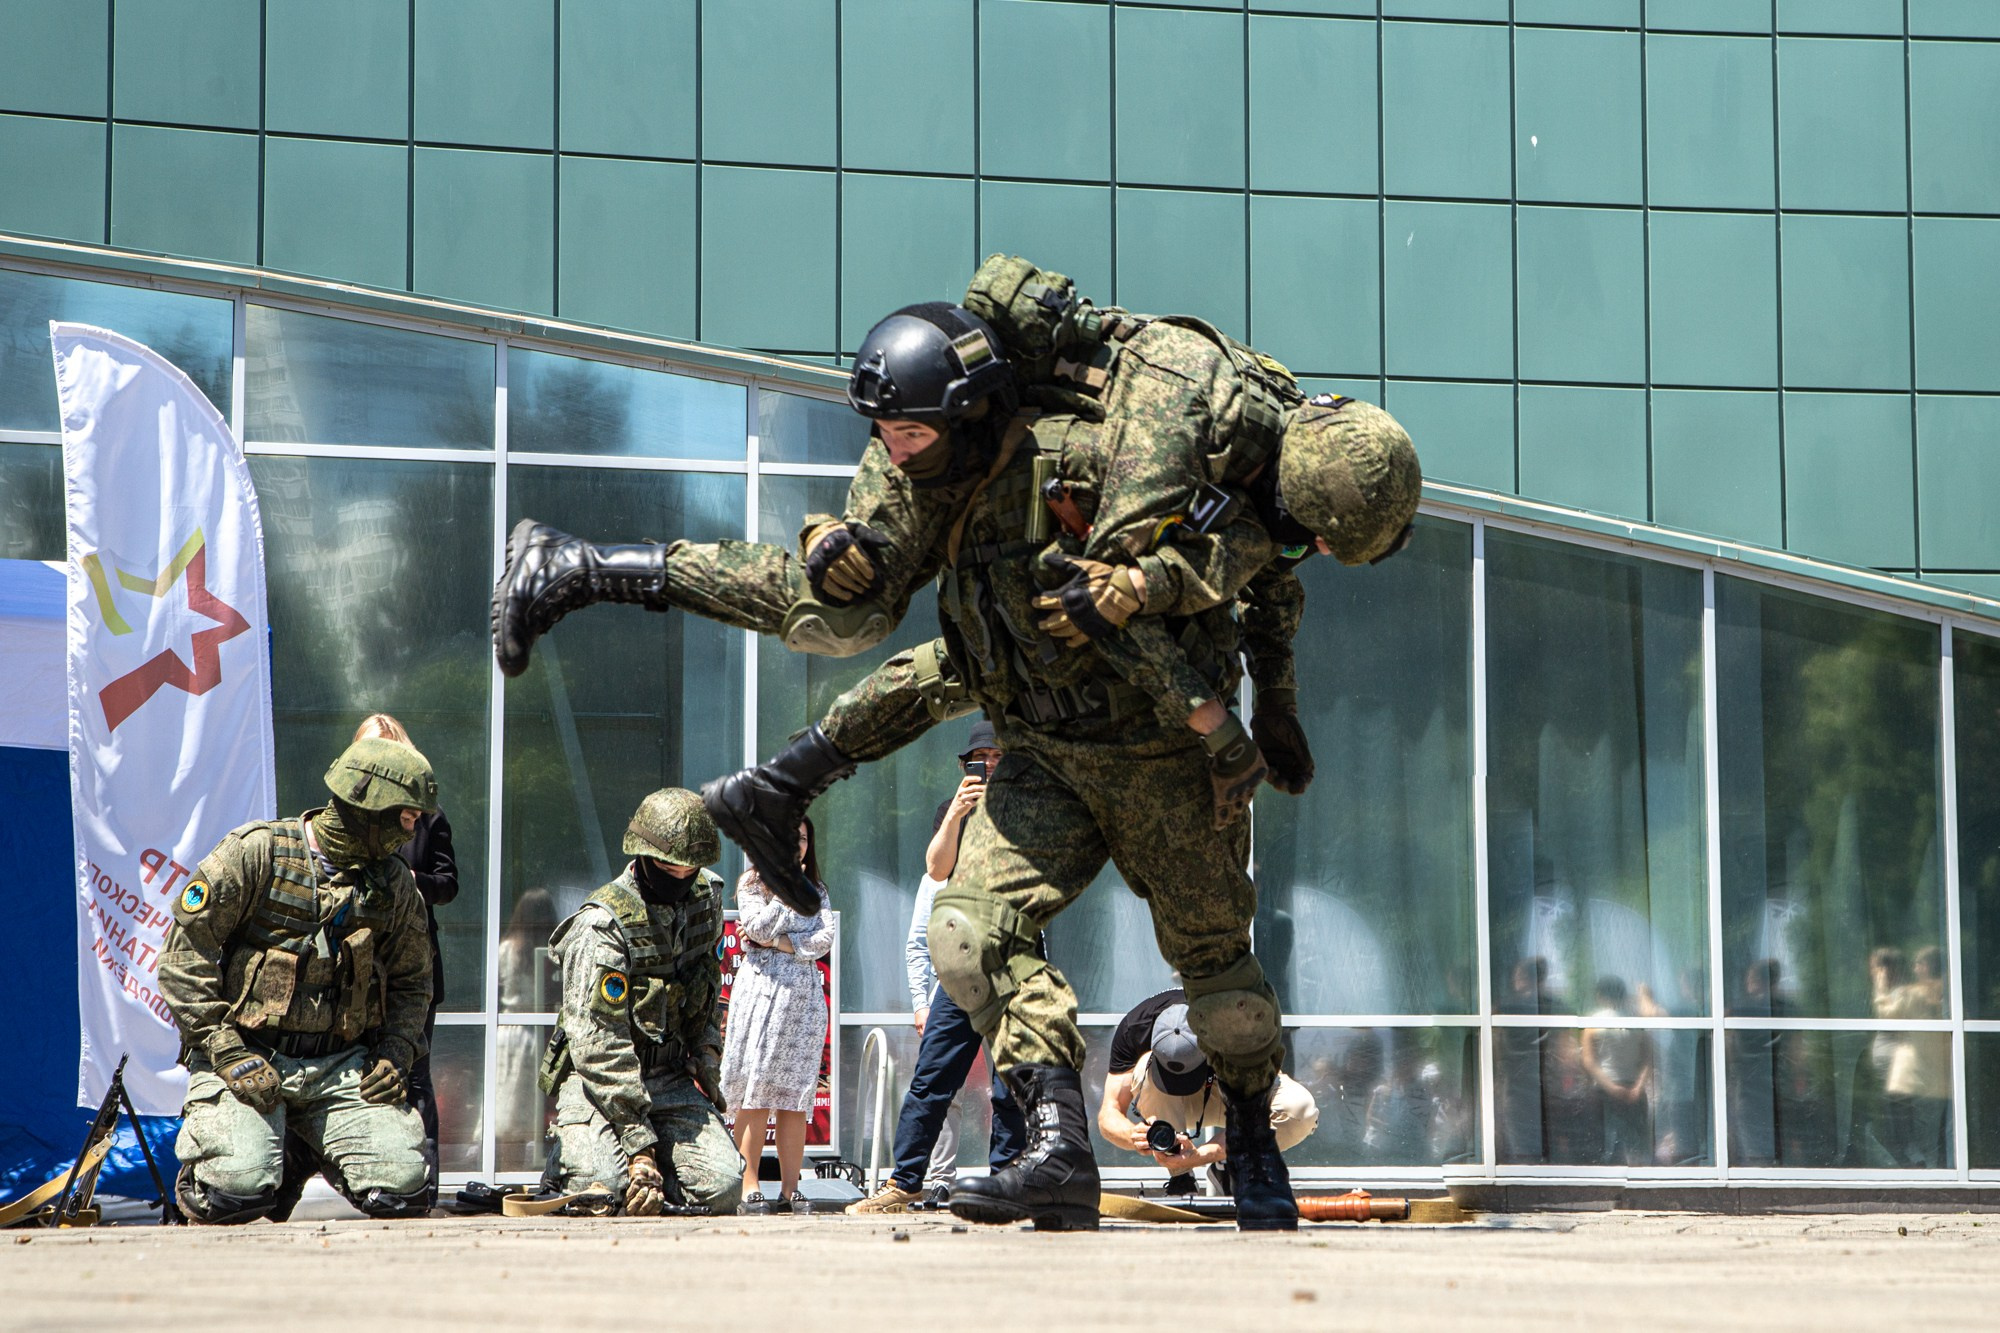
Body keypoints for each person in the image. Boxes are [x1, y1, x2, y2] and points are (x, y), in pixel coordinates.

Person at [494, 259, 1420, 1230]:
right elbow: (881, 616)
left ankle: (1256, 1151)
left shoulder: (1152, 459)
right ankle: (1058, 1146)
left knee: (1214, 961)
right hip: (1042, 749)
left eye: (914, 436)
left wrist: (1247, 719)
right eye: (885, 437)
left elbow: (1242, 575)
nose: (896, 454)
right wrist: (826, 541)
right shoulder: (921, 472)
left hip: (1158, 755)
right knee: (966, 928)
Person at [158, 737, 438, 1223]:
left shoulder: (394, 884)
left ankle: (310, 1146)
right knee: (235, 1197)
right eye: (406, 817)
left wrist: (396, 1051)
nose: (412, 830)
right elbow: (184, 959)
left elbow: (414, 980)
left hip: (338, 1067)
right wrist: (225, 1049)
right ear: (367, 809)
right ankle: (227, 1168)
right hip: (246, 1058)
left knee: (405, 1192)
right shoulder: (256, 853)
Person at [848, 723, 1028, 1214]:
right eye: (979, 757)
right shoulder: (953, 815)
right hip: (960, 969)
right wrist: (956, 812)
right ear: (963, 765)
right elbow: (936, 869)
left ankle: (1008, 1179)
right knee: (931, 1079)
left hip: (1014, 964)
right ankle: (906, 1182)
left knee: (1010, 1080)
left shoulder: (1030, 808)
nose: (988, 764)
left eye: (996, 755)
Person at [540, 788, 741, 1216]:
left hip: (667, 1078)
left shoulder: (706, 900)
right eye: (672, 865)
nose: (683, 876)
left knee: (723, 1189)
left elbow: (705, 988)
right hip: (598, 1083)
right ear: (644, 854)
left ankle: (657, 1172)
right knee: (601, 1192)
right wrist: (638, 1146)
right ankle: (575, 1163)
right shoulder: (602, 925)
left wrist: (706, 1054)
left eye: (693, 867)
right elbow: (598, 1045)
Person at [350, 714, 458, 1158]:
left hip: (413, 962)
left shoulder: (428, 817)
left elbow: (448, 884)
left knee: (413, 1072)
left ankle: (422, 1181)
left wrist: (408, 879)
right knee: (351, 1069)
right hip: (355, 961)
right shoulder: (348, 813)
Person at [1096, 990, 1318, 1196]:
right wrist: (1134, 1136)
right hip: (1175, 1104)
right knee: (1144, 1063)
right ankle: (1181, 1180)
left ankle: (1230, 1165)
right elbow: (1109, 1113)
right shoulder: (1135, 1029)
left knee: (1301, 1111)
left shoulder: (1236, 1030)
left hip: (1235, 1092)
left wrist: (1206, 1154)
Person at [724, 818, 838, 1214]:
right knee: (757, 1089)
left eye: (803, 839)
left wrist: (781, 943)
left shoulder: (817, 889)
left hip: (804, 1003)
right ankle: (748, 1183)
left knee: (796, 1097)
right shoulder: (752, 883)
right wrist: (784, 891)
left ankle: (791, 1189)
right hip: (762, 996)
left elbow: (824, 939)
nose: (797, 846)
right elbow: (755, 928)